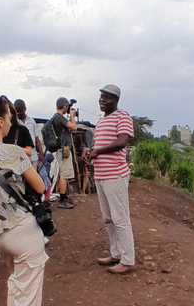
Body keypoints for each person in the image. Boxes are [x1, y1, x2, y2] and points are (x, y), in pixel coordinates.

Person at [0, 95, 48, 306]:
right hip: (22, 229)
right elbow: (40, 186)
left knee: (16, 283)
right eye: (8, 115)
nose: (11, 120)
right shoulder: (12, 152)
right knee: (28, 296)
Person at [82, 84, 135, 274]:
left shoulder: (123, 117)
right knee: (108, 219)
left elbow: (122, 142)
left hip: (115, 174)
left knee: (120, 218)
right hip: (102, 175)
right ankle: (116, 254)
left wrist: (97, 151)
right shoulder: (101, 121)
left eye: (108, 97)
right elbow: (99, 146)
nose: (103, 100)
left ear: (116, 100)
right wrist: (90, 153)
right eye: (101, 97)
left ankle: (128, 260)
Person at [52, 97, 77, 209]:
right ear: (64, 106)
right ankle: (62, 200)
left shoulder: (55, 118)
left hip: (61, 150)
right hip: (64, 150)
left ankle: (64, 197)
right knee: (64, 174)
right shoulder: (60, 118)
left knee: (64, 174)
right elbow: (74, 127)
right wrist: (72, 116)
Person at [14, 99, 45, 170]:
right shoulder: (14, 123)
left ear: (25, 109)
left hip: (33, 156)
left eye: (20, 112)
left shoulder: (31, 121)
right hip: (20, 157)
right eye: (17, 112)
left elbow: (36, 138)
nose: (19, 114)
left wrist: (41, 154)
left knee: (34, 179)